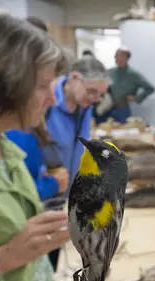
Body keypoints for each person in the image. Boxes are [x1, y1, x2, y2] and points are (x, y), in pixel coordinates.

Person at [0, 11, 70, 281]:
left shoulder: (6, 148)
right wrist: (7, 257)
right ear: (3, 85)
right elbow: (11, 250)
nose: (52, 98)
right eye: (42, 85)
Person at [5, 16, 68, 203]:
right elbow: (13, 196)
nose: (53, 98)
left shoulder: (28, 126)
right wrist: (53, 184)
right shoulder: (10, 130)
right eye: (42, 85)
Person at [45, 56, 109, 194]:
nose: (95, 99)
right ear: (74, 78)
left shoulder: (84, 106)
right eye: (91, 91)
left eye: (100, 94)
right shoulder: (46, 104)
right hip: (46, 196)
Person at [96, 47, 155, 124]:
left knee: (123, 132)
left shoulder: (133, 74)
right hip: (106, 108)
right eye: (115, 56)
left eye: (119, 56)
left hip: (122, 109)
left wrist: (136, 98)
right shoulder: (110, 72)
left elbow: (150, 88)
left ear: (127, 58)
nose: (116, 58)